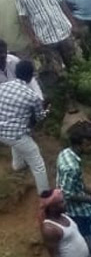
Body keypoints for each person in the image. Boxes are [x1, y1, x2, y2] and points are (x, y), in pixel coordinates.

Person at [15, 0, 76, 71]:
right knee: (57, 71)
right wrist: (34, 40)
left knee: (74, 64)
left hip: (63, 31)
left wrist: (73, 24)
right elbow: (24, 19)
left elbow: (62, 4)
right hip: (45, 39)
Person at [0, 58, 47, 193]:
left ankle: (18, 165)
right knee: (38, 164)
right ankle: (45, 195)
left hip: (2, 131)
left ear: (16, 72)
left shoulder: (3, 87)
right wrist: (46, 110)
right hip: (16, 134)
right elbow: (39, 118)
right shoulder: (32, 96)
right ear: (31, 76)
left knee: (18, 138)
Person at [55, 121, 91, 237]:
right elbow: (67, 194)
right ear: (83, 143)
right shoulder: (72, 167)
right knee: (88, 235)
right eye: (89, 144)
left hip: (75, 201)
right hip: (76, 212)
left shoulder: (65, 153)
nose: (90, 147)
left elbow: (76, 182)